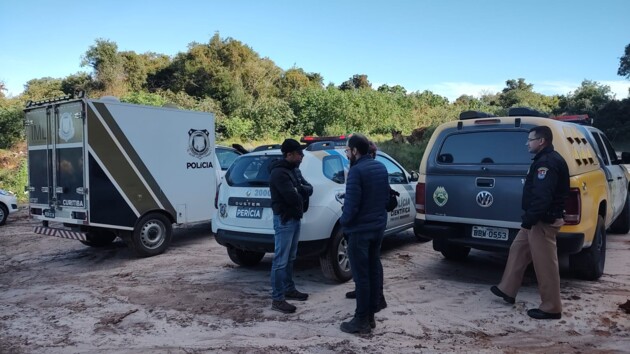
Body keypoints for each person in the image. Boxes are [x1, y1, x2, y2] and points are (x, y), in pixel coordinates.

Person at [491, 125, 569, 320]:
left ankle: (551, 308)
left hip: (543, 221)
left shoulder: (547, 163)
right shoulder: (543, 160)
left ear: (541, 141)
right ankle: (507, 290)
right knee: (517, 249)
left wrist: (530, 220)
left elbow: (542, 197)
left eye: (530, 139)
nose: (527, 143)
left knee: (545, 265)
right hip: (536, 220)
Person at [339, 134, 390, 334]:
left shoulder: (356, 171)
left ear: (355, 151)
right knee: (372, 271)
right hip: (377, 229)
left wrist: (344, 222)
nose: (347, 154)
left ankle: (361, 319)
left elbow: (351, 207)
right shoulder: (380, 167)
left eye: (347, 150)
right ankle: (370, 317)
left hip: (360, 232)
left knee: (361, 277)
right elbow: (385, 198)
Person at [268, 138, 313, 314]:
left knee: (290, 257)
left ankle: (289, 288)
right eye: (299, 153)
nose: (302, 156)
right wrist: (300, 190)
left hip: (294, 218)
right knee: (280, 260)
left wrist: (299, 189)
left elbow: (309, 188)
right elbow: (292, 197)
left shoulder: (294, 170)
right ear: (289, 154)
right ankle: (278, 299)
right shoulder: (279, 173)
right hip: (285, 219)